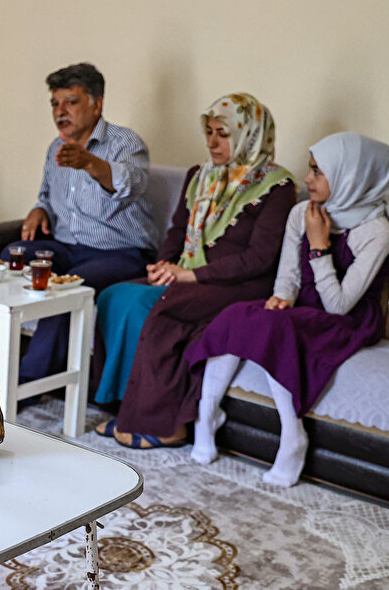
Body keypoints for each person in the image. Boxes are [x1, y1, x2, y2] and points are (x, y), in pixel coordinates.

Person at [188, 132, 389, 486]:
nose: (307, 179)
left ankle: (292, 436)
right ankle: (206, 416)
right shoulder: (300, 213)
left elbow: (338, 305)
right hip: (302, 307)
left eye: (318, 172)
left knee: (276, 329)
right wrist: (282, 296)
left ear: (349, 177)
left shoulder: (376, 231)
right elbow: (287, 276)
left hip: (347, 321)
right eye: (310, 169)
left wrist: (319, 248)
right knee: (235, 315)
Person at [92, 93, 295, 448]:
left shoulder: (277, 186)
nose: (212, 142)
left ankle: (165, 425)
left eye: (223, 134)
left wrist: (190, 276)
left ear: (248, 135)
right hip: (188, 273)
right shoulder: (200, 176)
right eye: (210, 132)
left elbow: (260, 258)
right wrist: (163, 265)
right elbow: (177, 230)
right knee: (116, 295)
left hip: (240, 283)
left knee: (164, 307)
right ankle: (125, 409)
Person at [2, 62, 158, 382]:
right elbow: (46, 194)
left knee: (65, 286)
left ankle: (26, 382)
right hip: (66, 247)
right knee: (10, 258)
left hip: (120, 253)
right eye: (55, 103)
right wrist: (38, 210)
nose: (61, 111)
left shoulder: (126, 143)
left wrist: (90, 163)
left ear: (96, 103)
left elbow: (131, 183)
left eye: (71, 102)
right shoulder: (55, 148)